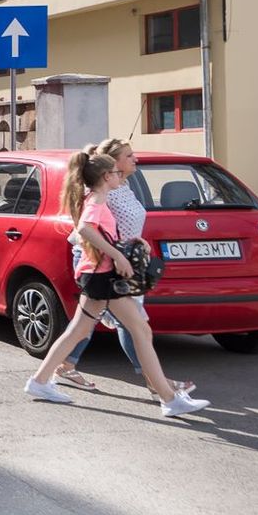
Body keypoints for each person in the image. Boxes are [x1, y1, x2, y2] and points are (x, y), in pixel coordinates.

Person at [25, 151, 210, 419]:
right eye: (114, 172)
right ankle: (169, 399)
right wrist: (118, 255)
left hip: (97, 275)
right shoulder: (98, 198)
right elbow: (86, 229)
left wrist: (129, 245)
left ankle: (39, 382)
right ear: (105, 176)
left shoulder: (96, 197)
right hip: (102, 277)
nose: (119, 176)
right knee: (140, 330)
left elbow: (100, 232)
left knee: (79, 332)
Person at [54, 139, 192, 396]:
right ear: (112, 166)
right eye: (129, 156)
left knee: (90, 323)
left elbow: (121, 226)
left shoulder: (124, 187)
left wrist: (136, 244)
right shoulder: (104, 193)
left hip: (122, 262)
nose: (134, 159)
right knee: (131, 324)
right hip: (105, 263)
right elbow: (88, 229)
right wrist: (118, 256)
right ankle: (157, 384)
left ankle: (59, 368)